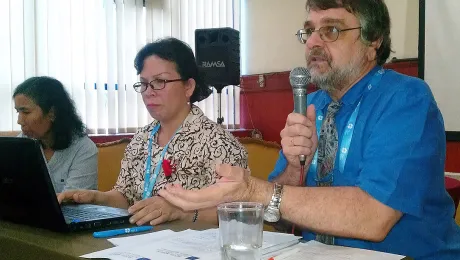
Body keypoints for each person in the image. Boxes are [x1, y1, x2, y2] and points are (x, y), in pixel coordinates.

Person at [158, 0, 460, 259]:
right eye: (309, 31)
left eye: (330, 30)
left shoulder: (405, 99)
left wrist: (253, 189)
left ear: (373, 40)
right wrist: (292, 168)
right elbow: (275, 217)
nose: (313, 42)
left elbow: (373, 217)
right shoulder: (310, 104)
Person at [57, 37, 248, 226]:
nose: (149, 91)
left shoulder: (219, 142)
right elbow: (126, 197)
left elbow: (236, 213)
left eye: (160, 81)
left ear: (188, 86)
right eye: (144, 83)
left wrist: (180, 212)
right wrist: (96, 199)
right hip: (139, 241)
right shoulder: (142, 138)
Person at [13, 76, 98, 193]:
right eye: (18, 112)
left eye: (26, 112)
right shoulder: (22, 142)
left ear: (52, 113)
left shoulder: (83, 149)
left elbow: (73, 201)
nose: (19, 121)